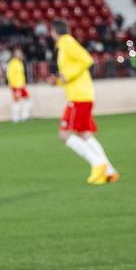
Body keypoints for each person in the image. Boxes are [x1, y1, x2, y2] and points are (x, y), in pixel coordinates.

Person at [52, 19, 118, 184]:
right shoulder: (65, 44)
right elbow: (73, 70)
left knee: (64, 134)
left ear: (54, 32)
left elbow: (86, 59)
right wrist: (59, 81)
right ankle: (109, 171)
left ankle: (98, 164)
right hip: (82, 94)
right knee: (85, 134)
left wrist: (67, 76)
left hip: (78, 96)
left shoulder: (66, 42)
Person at [7, 48, 32, 123]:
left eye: (21, 53)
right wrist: (13, 85)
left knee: (28, 99)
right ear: (15, 55)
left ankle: (25, 116)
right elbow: (9, 75)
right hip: (16, 86)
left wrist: (23, 83)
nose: (21, 55)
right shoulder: (12, 63)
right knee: (16, 100)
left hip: (21, 85)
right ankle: (15, 118)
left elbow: (21, 75)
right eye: (19, 53)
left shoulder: (20, 63)